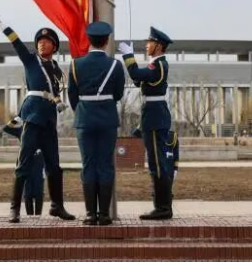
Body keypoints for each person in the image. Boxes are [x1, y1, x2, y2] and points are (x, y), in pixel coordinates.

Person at [0, 5, 74, 223]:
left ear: (54, 46)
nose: (42, 44)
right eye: (39, 41)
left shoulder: (57, 69)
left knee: (54, 166)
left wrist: (59, 102)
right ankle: (14, 208)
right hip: (32, 118)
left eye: (46, 41)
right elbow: (15, 42)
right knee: (23, 163)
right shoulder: (31, 60)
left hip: (49, 120)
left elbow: (56, 91)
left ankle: (57, 206)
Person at [67, 21, 125, 225]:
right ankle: (104, 215)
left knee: (88, 164)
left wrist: (84, 110)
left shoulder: (75, 64)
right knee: (105, 164)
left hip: (85, 119)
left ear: (89, 41)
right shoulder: (116, 65)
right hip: (107, 119)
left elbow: (72, 95)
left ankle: (91, 214)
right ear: (107, 41)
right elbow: (118, 94)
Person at [118, 26, 174, 220]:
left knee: (157, 164)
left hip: (155, 118)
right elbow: (138, 80)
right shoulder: (155, 65)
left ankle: (163, 208)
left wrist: (128, 56)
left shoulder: (158, 65)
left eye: (150, 42)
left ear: (159, 46)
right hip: (153, 117)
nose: (147, 45)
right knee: (157, 163)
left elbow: (136, 74)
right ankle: (163, 206)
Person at [2, 117, 46, 216]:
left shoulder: (43, 127)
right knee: (27, 193)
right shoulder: (22, 129)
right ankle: (30, 217)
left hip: (39, 162)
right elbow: (6, 128)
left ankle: (38, 217)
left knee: (39, 192)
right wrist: (18, 118)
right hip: (25, 162)